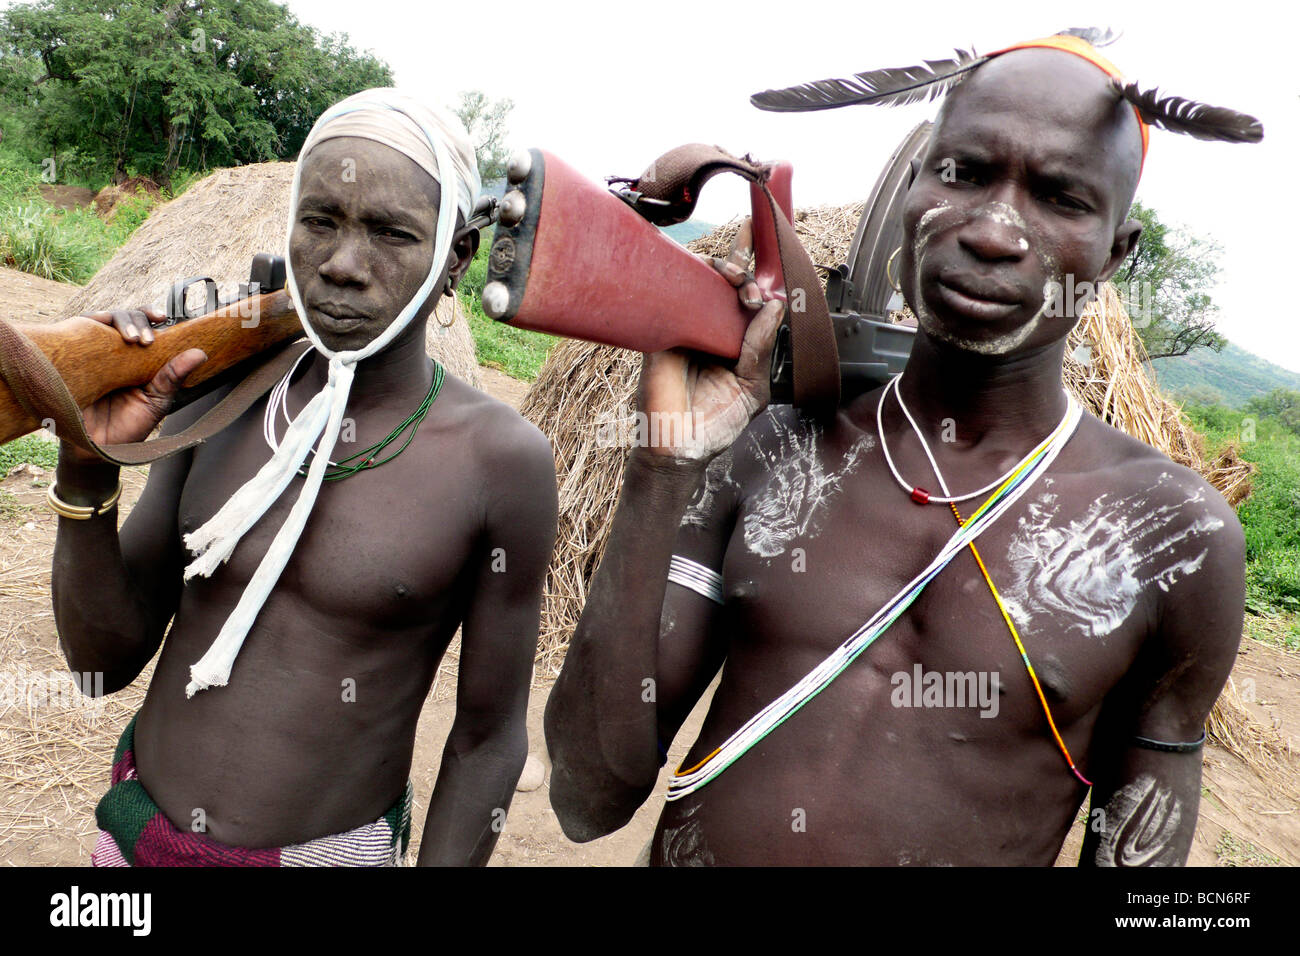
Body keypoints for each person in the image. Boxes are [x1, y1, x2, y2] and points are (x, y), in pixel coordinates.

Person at [545, 33, 1259, 865]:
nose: (994, 232)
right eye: (963, 172)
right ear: (912, 187)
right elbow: (588, 795)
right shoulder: (775, 452)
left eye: (1061, 197)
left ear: (1114, 251)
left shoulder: (1171, 542)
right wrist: (662, 468)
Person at [50, 88, 558, 866]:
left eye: (391, 233)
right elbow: (99, 667)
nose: (342, 265)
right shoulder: (223, 390)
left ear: (455, 257)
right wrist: (87, 468)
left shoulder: (500, 460)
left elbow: (489, 741)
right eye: (319, 220)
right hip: (135, 835)